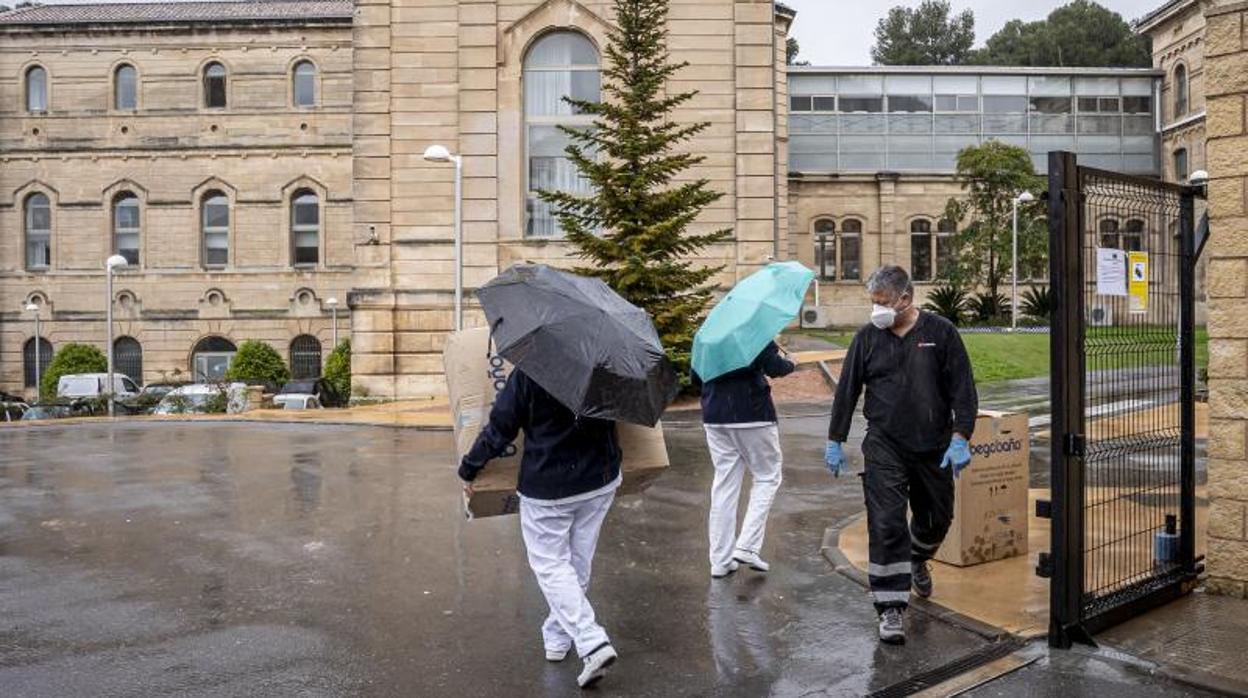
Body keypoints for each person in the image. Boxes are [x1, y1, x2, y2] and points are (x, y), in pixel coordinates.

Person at [824, 266, 978, 645]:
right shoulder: (867, 338)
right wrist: (835, 438)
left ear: (905, 299)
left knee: (936, 518)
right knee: (887, 523)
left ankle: (917, 558)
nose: (875, 310)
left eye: (882, 303)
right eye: (872, 302)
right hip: (884, 445)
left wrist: (961, 436)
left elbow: (963, 387)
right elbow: (847, 390)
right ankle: (890, 607)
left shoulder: (941, 333)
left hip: (933, 446)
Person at [459, 368, 621, 689]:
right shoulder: (603, 363)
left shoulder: (532, 370)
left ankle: (591, 642)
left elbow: (500, 428)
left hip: (550, 485)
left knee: (551, 565)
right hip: (600, 478)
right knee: (577, 562)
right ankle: (557, 638)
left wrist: (469, 467)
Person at [694, 341, 796, 578]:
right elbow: (775, 367)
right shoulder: (753, 332)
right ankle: (747, 546)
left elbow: (696, 378)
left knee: (724, 484)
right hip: (752, 413)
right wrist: (791, 362)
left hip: (714, 413)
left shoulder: (706, 337)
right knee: (767, 476)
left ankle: (720, 560)